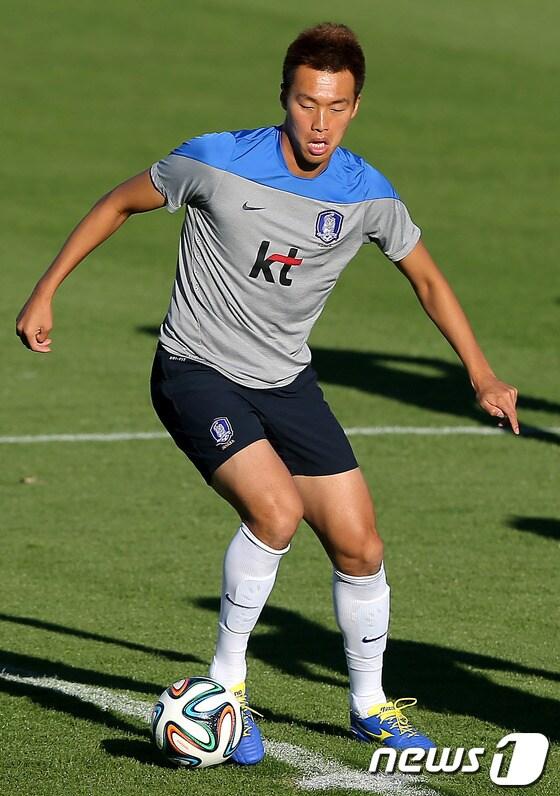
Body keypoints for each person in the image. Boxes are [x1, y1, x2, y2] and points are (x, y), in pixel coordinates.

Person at [17, 22, 519, 765]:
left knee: (360, 544)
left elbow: (428, 278)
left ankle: (369, 705)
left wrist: (479, 372)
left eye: (338, 107)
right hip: (196, 369)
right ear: (284, 96)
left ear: (356, 107)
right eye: (307, 103)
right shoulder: (218, 161)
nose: (320, 124)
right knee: (276, 512)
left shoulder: (366, 195)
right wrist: (45, 292)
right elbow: (117, 204)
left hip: (286, 380)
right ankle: (228, 690)